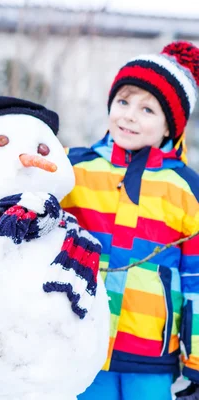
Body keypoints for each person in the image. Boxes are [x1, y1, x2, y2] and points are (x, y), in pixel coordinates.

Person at [62, 41, 199, 400]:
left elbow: (197, 279)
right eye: (123, 102)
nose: (129, 116)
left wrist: (197, 359)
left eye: (147, 109)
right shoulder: (74, 169)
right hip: (82, 337)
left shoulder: (186, 188)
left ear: (171, 127)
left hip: (151, 347)